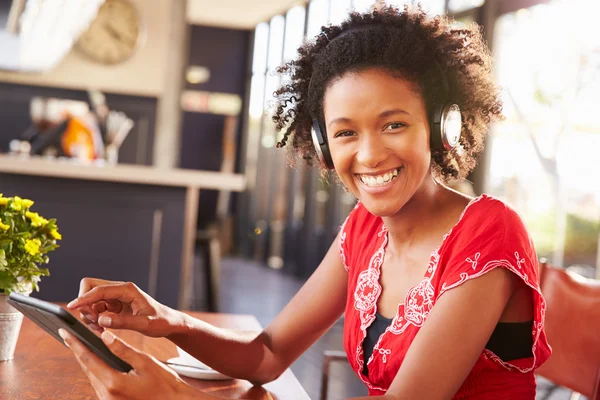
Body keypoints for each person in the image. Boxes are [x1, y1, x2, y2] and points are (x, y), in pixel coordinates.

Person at [60, 4, 551, 399]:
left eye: (394, 123)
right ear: (322, 145)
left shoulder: (489, 231)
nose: (369, 154)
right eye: (345, 133)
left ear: (442, 125)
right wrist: (169, 321)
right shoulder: (365, 229)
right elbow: (267, 355)